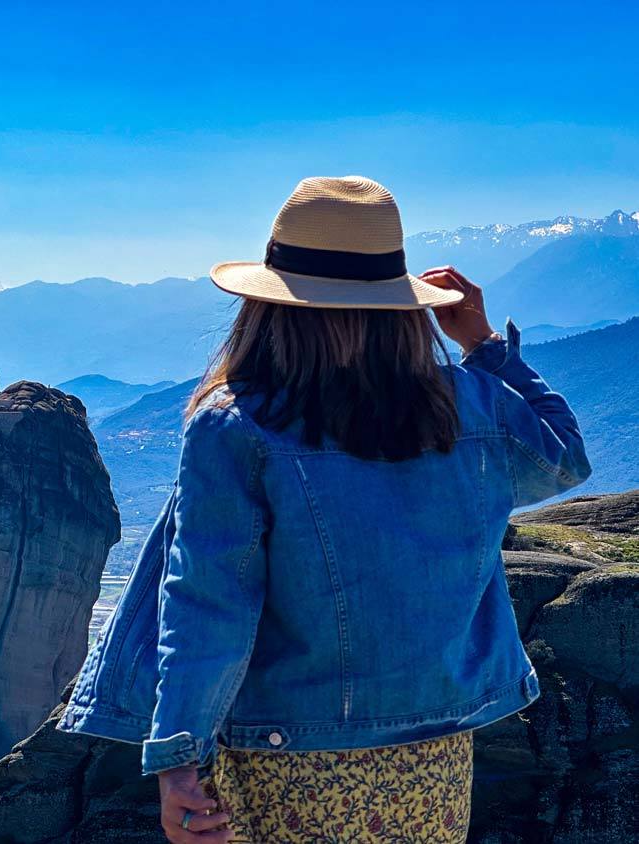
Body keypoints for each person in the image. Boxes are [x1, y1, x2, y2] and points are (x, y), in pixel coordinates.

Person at [56, 176, 591, 843]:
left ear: (269, 305)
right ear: (401, 305)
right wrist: (482, 346)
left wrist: (177, 755)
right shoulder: (469, 403)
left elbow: (208, 602)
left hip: (286, 757)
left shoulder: (240, 424)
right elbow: (563, 458)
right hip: (432, 755)